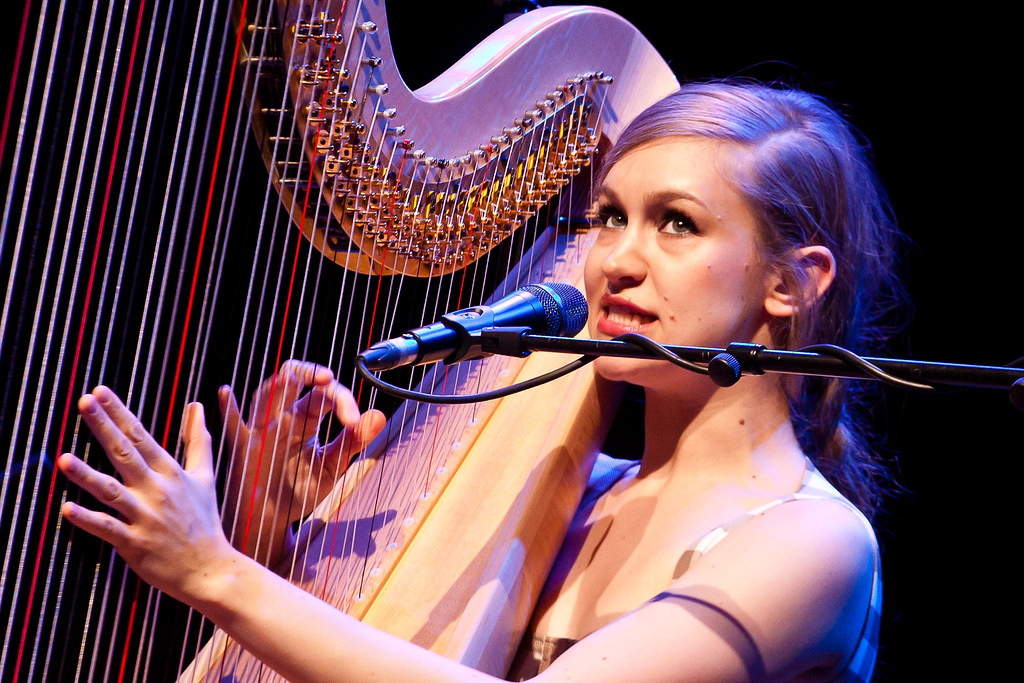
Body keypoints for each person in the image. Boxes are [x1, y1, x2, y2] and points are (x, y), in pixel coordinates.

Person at [58, 79, 906, 682]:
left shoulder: (809, 543)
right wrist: (278, 548)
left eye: (675, 224)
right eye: (608, 216)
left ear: (792, 283)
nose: (617, 260)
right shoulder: (574, 491)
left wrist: (217, 574)